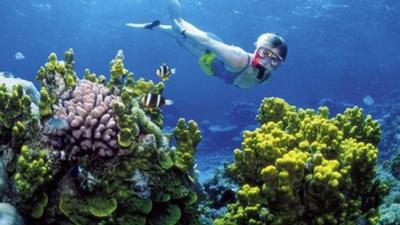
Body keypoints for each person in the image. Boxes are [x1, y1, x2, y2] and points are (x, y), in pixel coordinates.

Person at [126, 0, 288, 88]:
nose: (266, 62)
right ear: (256, 48)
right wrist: (182, 31)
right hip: (205, 49)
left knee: (178, 37)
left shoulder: (267, 75)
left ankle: (155, 27)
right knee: (178, 24)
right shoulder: (238, 59)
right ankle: (167, 20)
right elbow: (208, 42)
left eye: (275, 60)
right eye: (264, 54)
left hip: (213, 57)